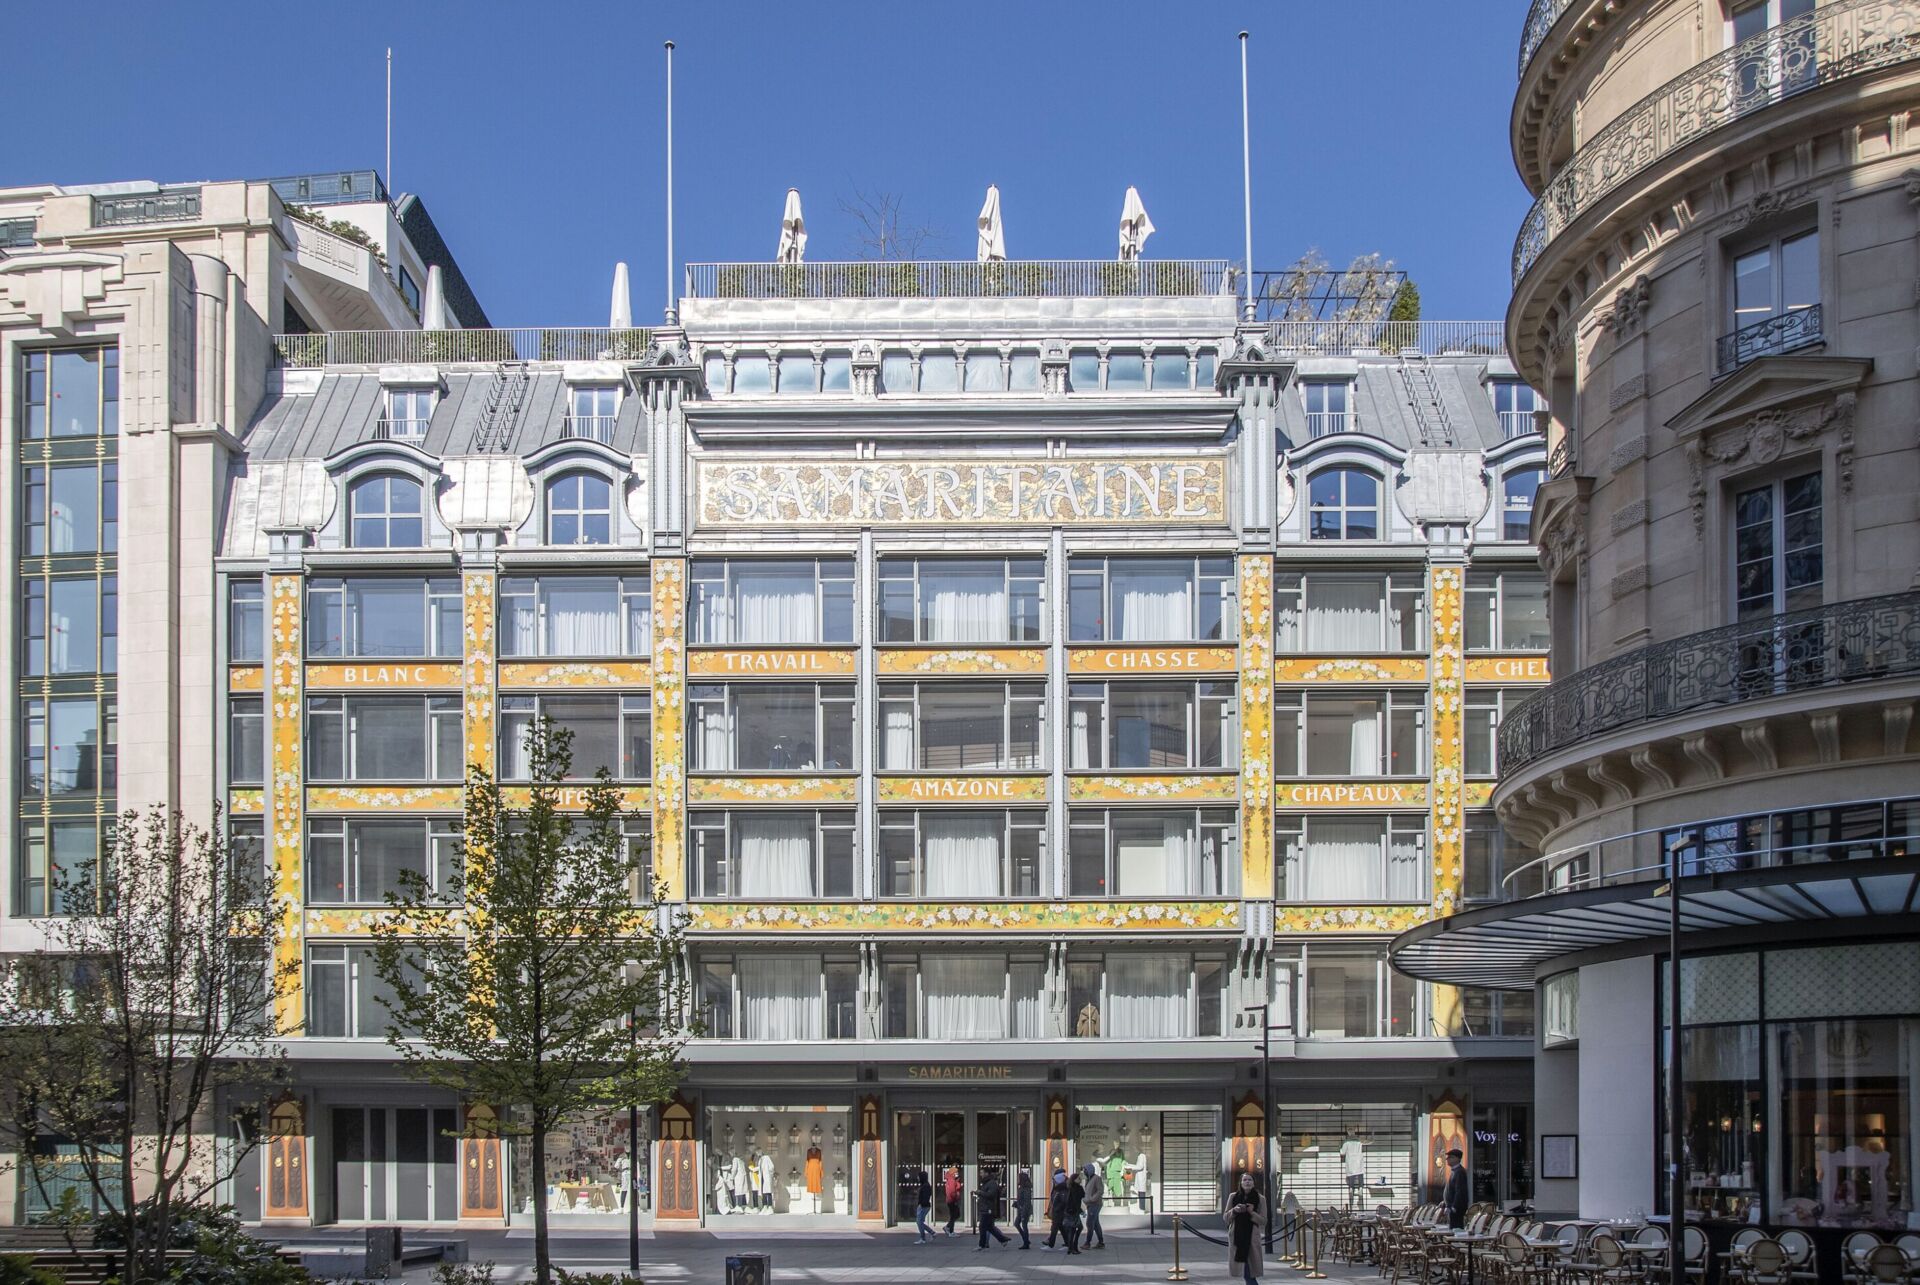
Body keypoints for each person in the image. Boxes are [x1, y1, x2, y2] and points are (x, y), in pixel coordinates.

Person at [1225, 1171, 1265, 1284]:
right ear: (1241, 1183)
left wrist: (1252, 1212)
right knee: (1245, 1268)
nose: (1247, 1182)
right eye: (1245, 1180)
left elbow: (1263, 1221)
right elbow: (1225, 1217)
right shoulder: (1233, 1196)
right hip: (1237, 1236)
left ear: (1253, 1183)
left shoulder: (1260, 1198)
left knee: (1250, 1268)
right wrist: (1234, 1210)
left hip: (1252, 1236)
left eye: (1250, 1180)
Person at [976, 1171, 1011, 1249]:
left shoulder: (991, 1183)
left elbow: (990, 1195)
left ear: (986, 1173)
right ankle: (1003, 1239)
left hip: (988, 1208)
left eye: (982, 1172)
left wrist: (980, 1192)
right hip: (986, 1207)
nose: (980, 1174)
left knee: (982, 1226)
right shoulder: (986, 1182)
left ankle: (982, 1245)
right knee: (989, 1227)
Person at [1081, 1161, 1106, 1250]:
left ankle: (1088, 1243)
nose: (1084, 1171)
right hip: (1090, 1204)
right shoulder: (1088, 1179)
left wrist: (1092, 1199)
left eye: (1085, 1170)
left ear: (1089, 1170)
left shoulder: (1097, 1179)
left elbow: (1100, 1191)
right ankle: (1101, 1242)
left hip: (1095, 1204)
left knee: (1090, 1223)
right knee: (1095, 1224)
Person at [1443, 1148, 1469, 1230]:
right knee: (1452, 1228)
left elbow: (1459, 1190)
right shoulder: (1454, 1171)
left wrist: (1454, 1206)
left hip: (1456, 1208)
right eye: (1447, 1157)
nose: (1448, 1159)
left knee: (1456, 1229)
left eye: (1451, 1157)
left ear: (1458, 1159)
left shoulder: (1459, 1172)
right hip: (1451, 1207)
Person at [1062, 1171, 1086, 1255]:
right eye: (1078, 1178)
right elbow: (1077, 1200)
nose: (1080, 1179)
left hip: (1070, 1210)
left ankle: (1071, 1247)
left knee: (1073, 1229)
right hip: (1074, 1211)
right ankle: (1073, 1247)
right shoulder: (1077, 1188)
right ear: (1074, 1179)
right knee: (1077, 1228)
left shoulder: (1070, 1187)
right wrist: (1080, 1210)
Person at [1043, 1169, 1069, 1249]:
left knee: (1054, 1228)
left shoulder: (1062, 1190)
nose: (1054, 1182)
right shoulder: (1057, 1188)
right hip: (1056, 1212)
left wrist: (1057, 1208)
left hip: (1059, 1212)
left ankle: (1050, 1245)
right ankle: (1068, 1243)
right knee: (1061, 1228)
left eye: (1055, 1180)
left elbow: (1063, 1201)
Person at [1013, 1169, 1034, 1250]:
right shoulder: (1021, 1188)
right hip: (1021, 1209)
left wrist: (1024, 1211)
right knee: (1017, 1224)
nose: (1017, 1180)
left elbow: (1026, 1201)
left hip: (1024, 1210)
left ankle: (1026, 1242)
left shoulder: (1026, 1189)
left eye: (1018, 1178)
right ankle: (1026, 1240)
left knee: (1024, 1225)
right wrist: (1017, 1203)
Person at [913, 1168, 934, 1244]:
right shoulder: (925, 1185)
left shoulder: (925, 1186)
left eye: (919, 1177)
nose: (918, 1178)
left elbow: (925, 1197)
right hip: (924, 1206)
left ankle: (923, 1238)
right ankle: (932, 1233)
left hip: (923, 1206)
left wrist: (921, 1204)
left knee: (919, 1222)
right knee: (920, 1222)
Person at [942, 1164, 963, 1236]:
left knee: (955, 1215)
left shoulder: (952, 1179)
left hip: (951, 1200)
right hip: (952, 1200)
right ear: (953, 1173)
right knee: (954, 1215)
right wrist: (955, 1199)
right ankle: (950, 1231)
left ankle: (948, 1228)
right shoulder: (952, 1180)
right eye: (956, 1172)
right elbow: (952, 1192)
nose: (957, 1173)